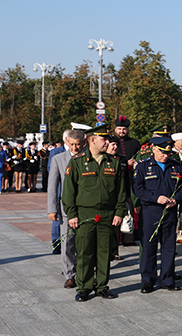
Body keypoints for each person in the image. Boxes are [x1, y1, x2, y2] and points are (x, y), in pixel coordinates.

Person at [61, 124, 127, 302]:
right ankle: (84, 287)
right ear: (92, 140)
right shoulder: (77, 162)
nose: (107, 142)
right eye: (104, 139)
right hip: (84, 215)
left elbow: (121, 192)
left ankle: (102, 286)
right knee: (84, 252)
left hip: (107, 215)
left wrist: (119, 212)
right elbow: (68, 192)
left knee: (105, 253)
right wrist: (72, 214)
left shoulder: (113, 162)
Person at [133, 136, 182, 293]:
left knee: (169, 246)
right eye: (163, 152)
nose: (166, 155)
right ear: (154, 149)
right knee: (149, 247)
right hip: (151, 211)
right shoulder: (143, 167)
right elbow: (138, 189)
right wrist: (155, 198)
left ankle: (167, 279)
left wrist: (176, 199)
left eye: (168, 153)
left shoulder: (175, 166)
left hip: (170, 212)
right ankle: (148, 280)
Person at [47, 128, 85, 288]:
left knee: (85, 242)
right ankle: (70, 274)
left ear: (83, 143)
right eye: (72, 144)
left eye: (78, 145)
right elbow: (52, 186)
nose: (75, 148)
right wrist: (52, 208)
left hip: (85, 207)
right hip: (66, 208)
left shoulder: (89, 158)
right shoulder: (58, 159)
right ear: (66, 143)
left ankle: (85, 273)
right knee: (68, 241)